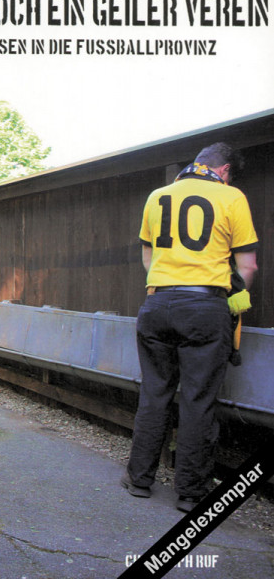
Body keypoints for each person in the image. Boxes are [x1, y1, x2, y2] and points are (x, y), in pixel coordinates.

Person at [121, 142, 258, 512]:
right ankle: (191, 492)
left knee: (155, 392)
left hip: (158, 303)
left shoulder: (157, 196)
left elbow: (148, 258)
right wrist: (234, 300)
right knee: (198, 399)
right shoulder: (231, 197)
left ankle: (139, 480)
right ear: (225, 170)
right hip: (205, 306)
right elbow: (247, 266)